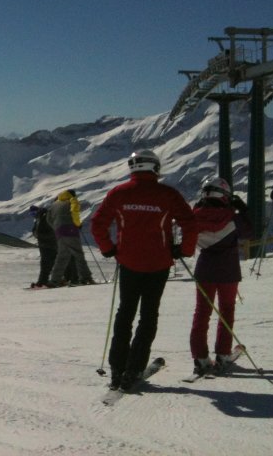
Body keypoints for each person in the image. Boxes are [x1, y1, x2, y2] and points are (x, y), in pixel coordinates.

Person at [91, 149, 197, 391]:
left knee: (125, 313)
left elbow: (98, 223)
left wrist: (108, 248)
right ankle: (135, 368)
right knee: (149, 316)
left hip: (128, 262)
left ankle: (117, 369)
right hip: (158, 263)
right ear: (155, 168)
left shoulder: (119, 193)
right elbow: (189, 222)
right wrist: (185, 250)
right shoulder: (167, 194)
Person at [189, 176, 251, 376]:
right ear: (225, 196)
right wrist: (242, 208)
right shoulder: (232, 218)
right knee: (226, 311)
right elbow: (250, 230)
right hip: (228, 271)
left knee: (201, 313)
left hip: (205, 270)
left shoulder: (194, 217)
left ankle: (200, 357)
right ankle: (223, 353)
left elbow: (186, 233)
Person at [46, 189, 95, 286]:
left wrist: (57, 228)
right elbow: (74, 212)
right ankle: (85, 278)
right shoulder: (72, 200)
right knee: (78, 254)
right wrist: (77, 224)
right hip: (70, 230)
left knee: (62, 256)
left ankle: (54, 280)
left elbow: (48, 219)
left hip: (59, 232)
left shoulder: (54, 204)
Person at [29, 205, 58, 288]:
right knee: (52, 263)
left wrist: (40, 236)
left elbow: (51, 232)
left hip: (49, 245)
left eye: (34, 213)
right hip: (46, 245)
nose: (33, 215)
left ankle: (42, 282)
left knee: (46, 264)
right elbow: (36, 232)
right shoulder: (39, 219)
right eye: (31, 214)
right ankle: (58, 279)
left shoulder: (44, 218)